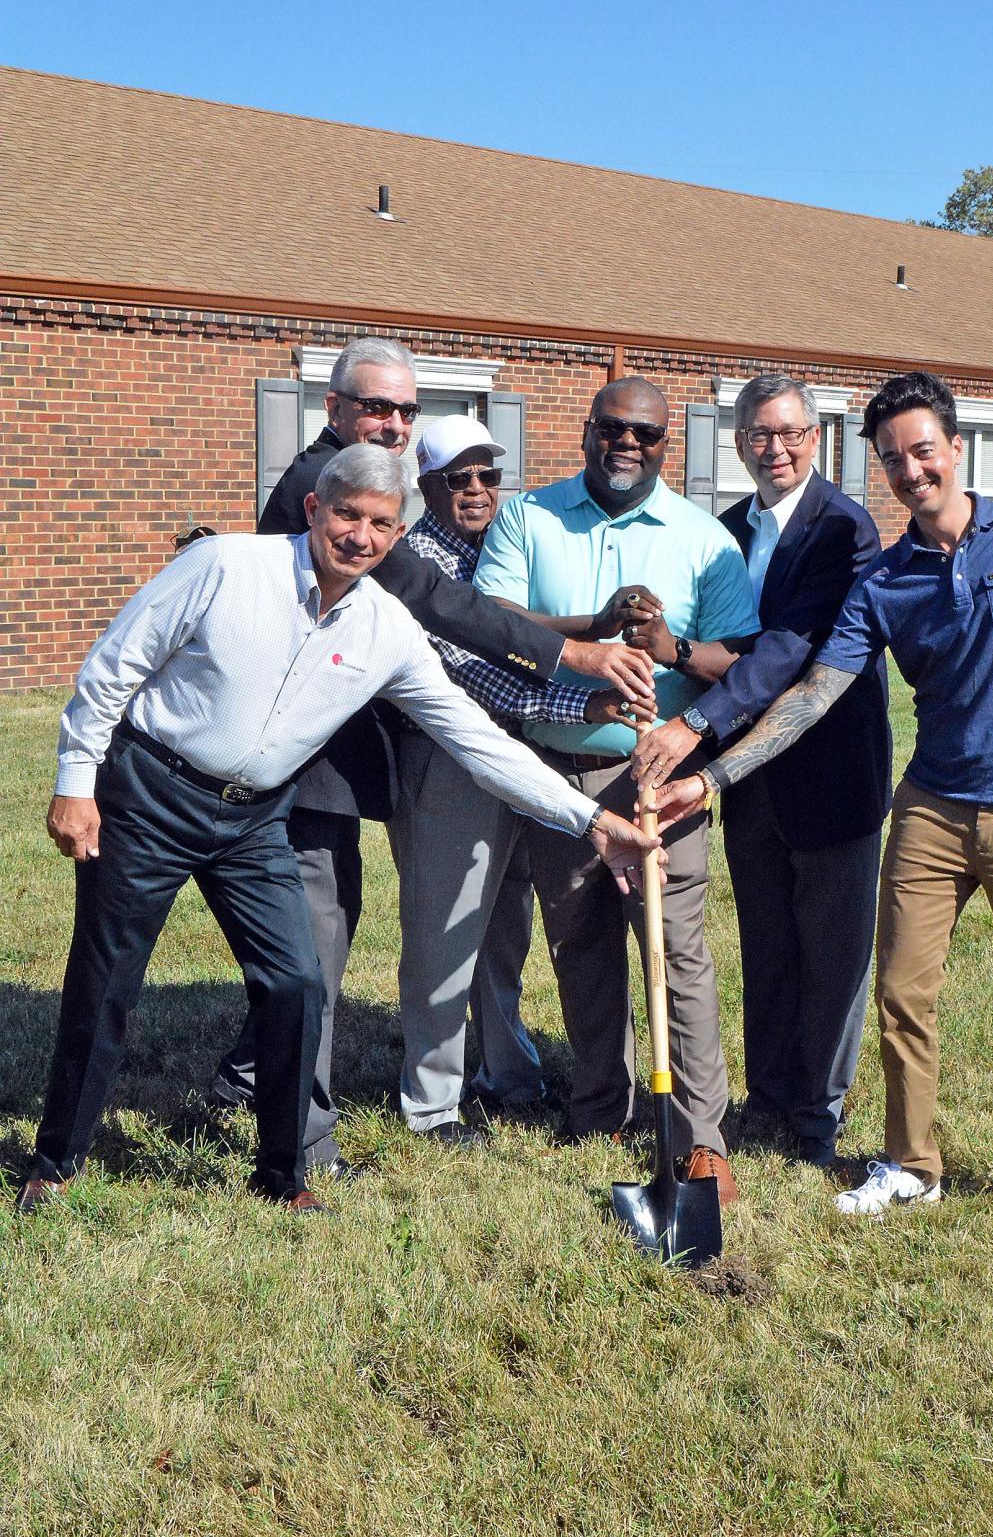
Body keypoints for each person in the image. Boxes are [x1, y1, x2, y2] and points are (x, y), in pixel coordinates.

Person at [16, 446, 659, 1218]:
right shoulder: (225, 566)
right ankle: (55, 1162)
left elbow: (475, 741)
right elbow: (113, 666)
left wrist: (588, 819)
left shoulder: (388, 628)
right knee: (107, 980)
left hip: (254, 817)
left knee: (296, 982)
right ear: (315, 509)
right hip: (150, 792)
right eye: (347, 514)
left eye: (380, 523)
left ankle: (283, 1174)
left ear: (396, 536)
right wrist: (75, 782)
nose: (360, 535)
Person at [653, 371, 993, 1248]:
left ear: (956, 449)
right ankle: (913, 1165)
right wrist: (715, 777)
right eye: (894, 459)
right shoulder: (885, 577)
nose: (912, 470)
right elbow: (811, 696)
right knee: (902, 993)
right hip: (932, 807)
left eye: (923, 451)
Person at [212, 338, 653, 1174]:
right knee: (322, 946)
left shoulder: (461, 525)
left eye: (405, 412)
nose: (390, 423)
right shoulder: (333, 493)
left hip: (365, 763)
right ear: (334, 407)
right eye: (376, 407)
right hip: (309, 767)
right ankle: (307, 1125)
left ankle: (257, 1077)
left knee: (408, 939)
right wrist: (579, 664)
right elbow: (452, 636)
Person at [474, 377, 760, 1205]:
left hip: (656, 780)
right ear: (587, 430)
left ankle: (699, 1140)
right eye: (612, 428)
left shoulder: (703, 539)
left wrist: (673, 649)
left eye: (646, 433)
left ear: (669, 444)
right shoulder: (530, 517)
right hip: (560, 776)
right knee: (580, 947)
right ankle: (600, 1102)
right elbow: (490, 624)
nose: (627, 444)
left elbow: (743, 666)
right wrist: (593, 627)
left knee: (674, 949)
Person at [631, 375, 890, 1167]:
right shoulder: (728, 530)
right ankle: (771, 1093)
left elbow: (786, 651)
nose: (773, 449)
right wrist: (668, 650)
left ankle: (820, 1111)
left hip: (830, 772)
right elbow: (728, 643)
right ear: (738, 441)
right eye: (756, 435)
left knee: (833, 950)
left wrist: (696, 722)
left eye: (788, 433)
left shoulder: (844, 530)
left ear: (817, 438)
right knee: (768, 942)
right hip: (749, 780)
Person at [389, 415, 630, 1146]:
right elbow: (478, 675)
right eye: (456, 478)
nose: (475, 490)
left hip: (524, 756)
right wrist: (586, 696)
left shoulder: (502, 544)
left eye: (488, 475)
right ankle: (431, 1104)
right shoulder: (414, 564)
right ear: (425, 486)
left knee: (506, 925)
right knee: (445, 928)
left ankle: (508, 1069)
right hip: (450, 761)